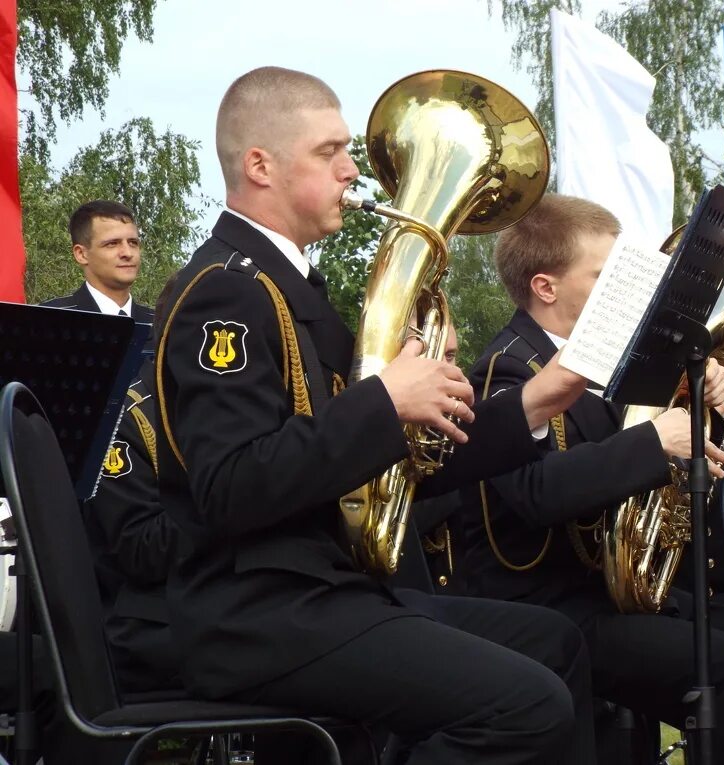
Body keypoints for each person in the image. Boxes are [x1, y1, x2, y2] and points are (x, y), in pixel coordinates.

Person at [155, 65, 597, 764]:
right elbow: (231, 485)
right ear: (260, 166)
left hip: (322, 595)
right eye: (328, 152)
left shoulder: (287, 286)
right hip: (258, 613)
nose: (351, 169)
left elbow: (388, 469)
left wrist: (532, 403)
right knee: (526, 705)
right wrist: (384, 401)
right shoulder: (226, 293)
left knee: (555, 642)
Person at [458, 193, 724, 764]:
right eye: (605, 275)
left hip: (629, 595)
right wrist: (653, 440)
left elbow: (667, 469)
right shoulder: (506, 368)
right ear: (546, 287)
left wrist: (703, 397)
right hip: (553, 604)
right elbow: (535, 494)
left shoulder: (616, 359)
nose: (627, 291)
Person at [83, 275, 182, 695]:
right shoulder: (128, 416)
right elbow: (140, 548)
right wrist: (244, 491)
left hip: (223, 601)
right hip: (153, 621)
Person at [41, 200, 154, 327]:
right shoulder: (47, 319)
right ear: (81, 254)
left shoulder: (162, 325)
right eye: (112, 244)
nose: (127, 253)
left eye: (133, 242)